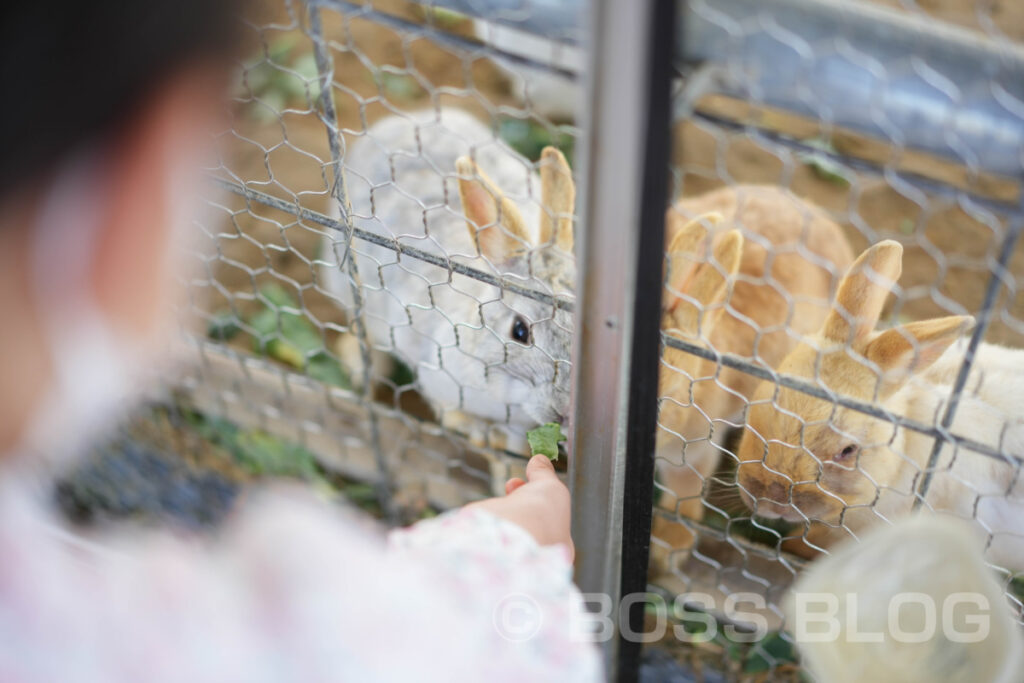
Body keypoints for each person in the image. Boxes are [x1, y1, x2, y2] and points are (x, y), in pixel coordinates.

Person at [0, 2, 601, 680]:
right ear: (130, 189)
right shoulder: (272, 628)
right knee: (380, 303)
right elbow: (394, 630)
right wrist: (508, 551)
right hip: (404, 200)